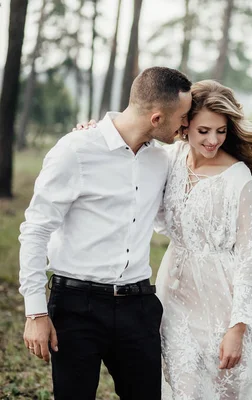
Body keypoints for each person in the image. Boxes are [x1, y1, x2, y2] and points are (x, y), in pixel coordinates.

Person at [19, 66, 192, 400]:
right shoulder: (75, 150)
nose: (186, 124)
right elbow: (36, 230)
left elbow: (166, 220)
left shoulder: (163, 160)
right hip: (76, 308)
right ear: (157, 118)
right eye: (183, 117)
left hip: (138, 306)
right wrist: (35, 311)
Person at [154, 80, 252, 399]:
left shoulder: (239, 180)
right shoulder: (170, 159)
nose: (212, 140)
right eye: (204, 131)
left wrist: (237, 327)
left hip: (220, 302)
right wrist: (91, 131)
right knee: (178, 384)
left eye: (221, 131)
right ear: (186, 125)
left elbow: (249, 260)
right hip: (172, 294)